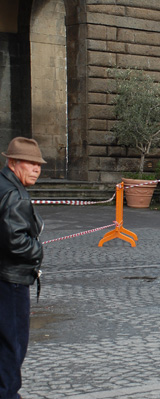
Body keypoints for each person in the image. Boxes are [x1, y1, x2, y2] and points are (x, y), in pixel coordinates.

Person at [0, 137, 45, 399]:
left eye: (38, 164)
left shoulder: (4, 185)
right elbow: (15, 242)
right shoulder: (14, 194)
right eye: (30, 163)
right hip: (11, 280)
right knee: (12, 344)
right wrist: (38, 249)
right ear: (13, 162)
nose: (37, 169)